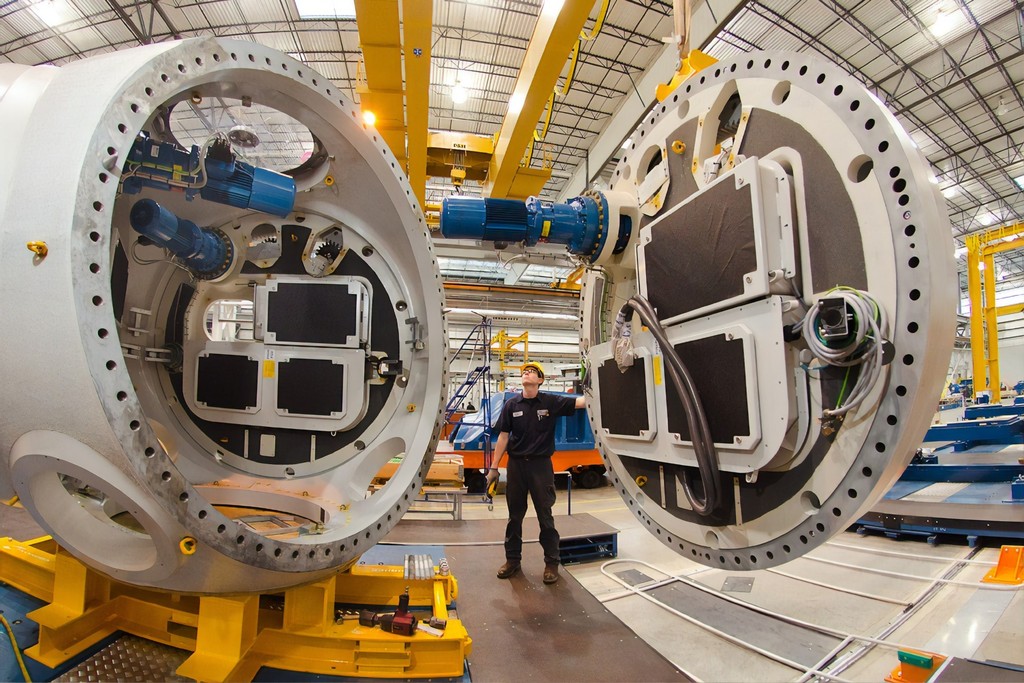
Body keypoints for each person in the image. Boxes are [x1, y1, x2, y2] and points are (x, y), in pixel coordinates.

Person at [487, 361, 586, 584]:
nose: (527, 373)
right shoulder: (512, 405)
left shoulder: (550, 401)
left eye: (532, 371)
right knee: (514, 516)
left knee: (545, 516)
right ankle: (512, 560)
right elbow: (503, 436)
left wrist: (595, 386)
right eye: (525, 371)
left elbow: (581, 402)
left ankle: (552, 563)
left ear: (540, 380)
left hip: (541, 466)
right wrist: (494, 468)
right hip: (516, 466)